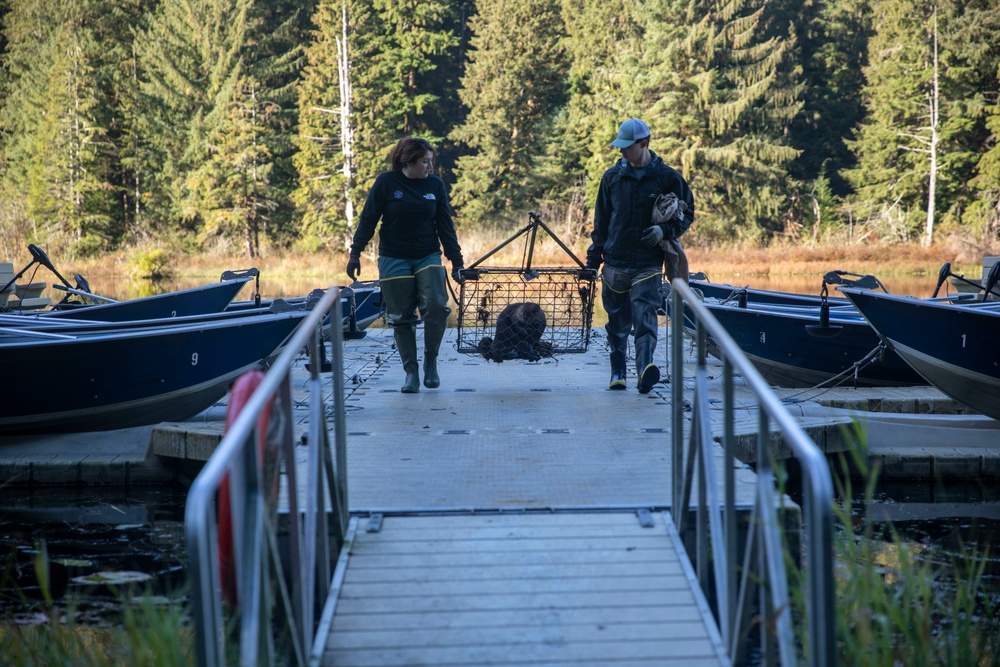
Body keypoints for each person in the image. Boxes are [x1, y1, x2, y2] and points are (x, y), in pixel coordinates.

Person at [346, 137, 465, 393]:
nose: (430, 167)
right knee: (401, 317)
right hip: (394, 257)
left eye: (431, 161)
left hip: (427, 255)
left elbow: (445, 226)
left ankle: (430, 362)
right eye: (425, 161)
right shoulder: (386, 183)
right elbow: (368, 220)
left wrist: (457, 261)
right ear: (408, 161)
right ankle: (411, 371)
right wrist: (355, 253)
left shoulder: (435, 185)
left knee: (435, 306)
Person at [585, 118, 695, 393]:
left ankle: (646, 367)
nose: (620, 151)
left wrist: (664, 230)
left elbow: (687, 213)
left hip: (648, 264)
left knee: (646, 316)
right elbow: (601, 224)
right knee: (617, 323)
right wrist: (592, 261)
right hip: (614, 264)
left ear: (643, 144)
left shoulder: (668, 178)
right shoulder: (611, 177)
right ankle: (618, 372)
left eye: (626, 146)